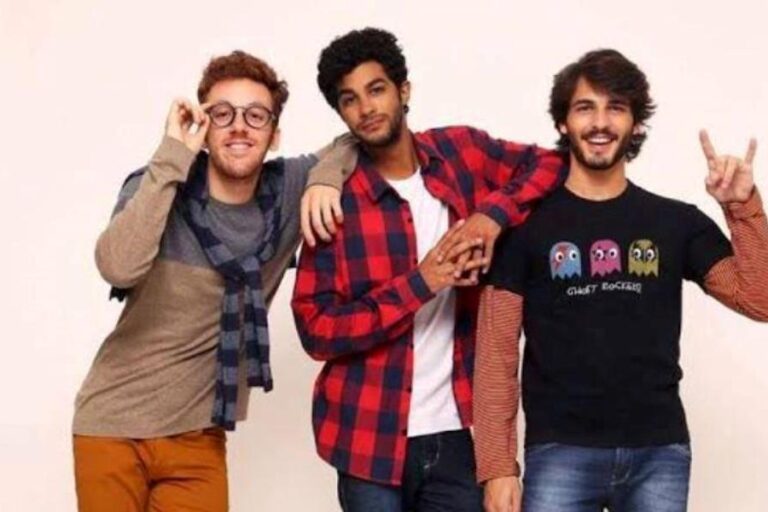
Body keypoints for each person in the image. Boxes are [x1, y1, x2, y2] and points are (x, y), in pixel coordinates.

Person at [474, 48, 768, 512]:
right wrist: (497, 467)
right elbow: (496, 354)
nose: (600, 122)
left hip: (659, 453)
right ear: (563, 122)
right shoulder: (524, 229)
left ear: (636, 124)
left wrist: (742, 205)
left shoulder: (676, 222)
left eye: (615, 108)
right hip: (559, 452)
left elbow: (759, 299)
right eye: (584, 107)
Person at [291, 28, 567, 512]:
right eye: (350, 99)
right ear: (341, 113)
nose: (366, 108)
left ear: (404, 90)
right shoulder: (336, 202)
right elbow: (316, 330)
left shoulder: (461, 153)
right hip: (366, 438)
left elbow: (550, 164)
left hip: (456, 432)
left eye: (376, 89)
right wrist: (421, 283)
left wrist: (491, 216)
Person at [72, 50, 354, 512]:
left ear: (274, 133)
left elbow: (355, 140)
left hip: (198, 437)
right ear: (204, 127)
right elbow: (118, 267)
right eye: (222, 114)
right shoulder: (157, 184)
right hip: (112, 424)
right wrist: (172, 155)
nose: (239, 126)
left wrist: (325, 177)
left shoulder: (287, 191)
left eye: (255, 115)